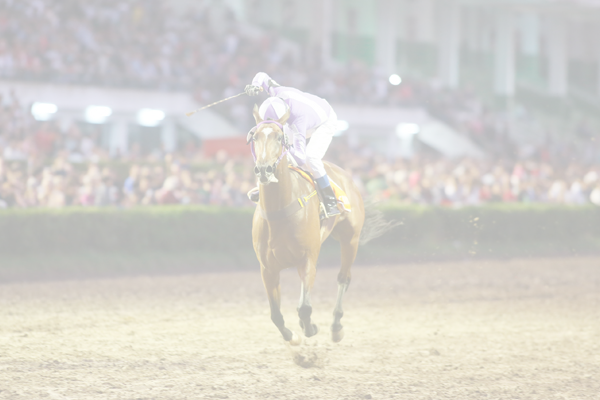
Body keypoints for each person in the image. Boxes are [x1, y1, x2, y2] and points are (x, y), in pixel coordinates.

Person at [244, 72, 341, 218]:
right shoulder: (276, 92)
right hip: (297, 113)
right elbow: (262, 76)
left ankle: (330, 201)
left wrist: (285, 150)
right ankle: (262, 188)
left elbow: (300, 158)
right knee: (269, 146)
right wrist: (256, 86)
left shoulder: (299, 121)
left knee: (311, 157)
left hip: (324, 120)